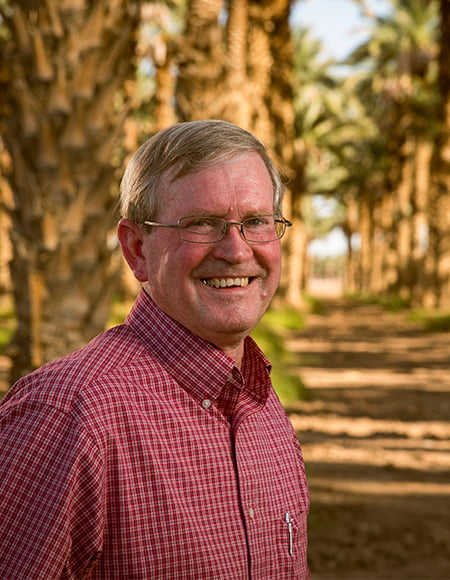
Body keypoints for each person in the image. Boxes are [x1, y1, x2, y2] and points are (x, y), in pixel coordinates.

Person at [0, 119, 310, 579]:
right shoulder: (69, 415)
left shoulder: (258, 396)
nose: (236, 249)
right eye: (201, 224)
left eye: (256, 222)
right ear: (137, 249)